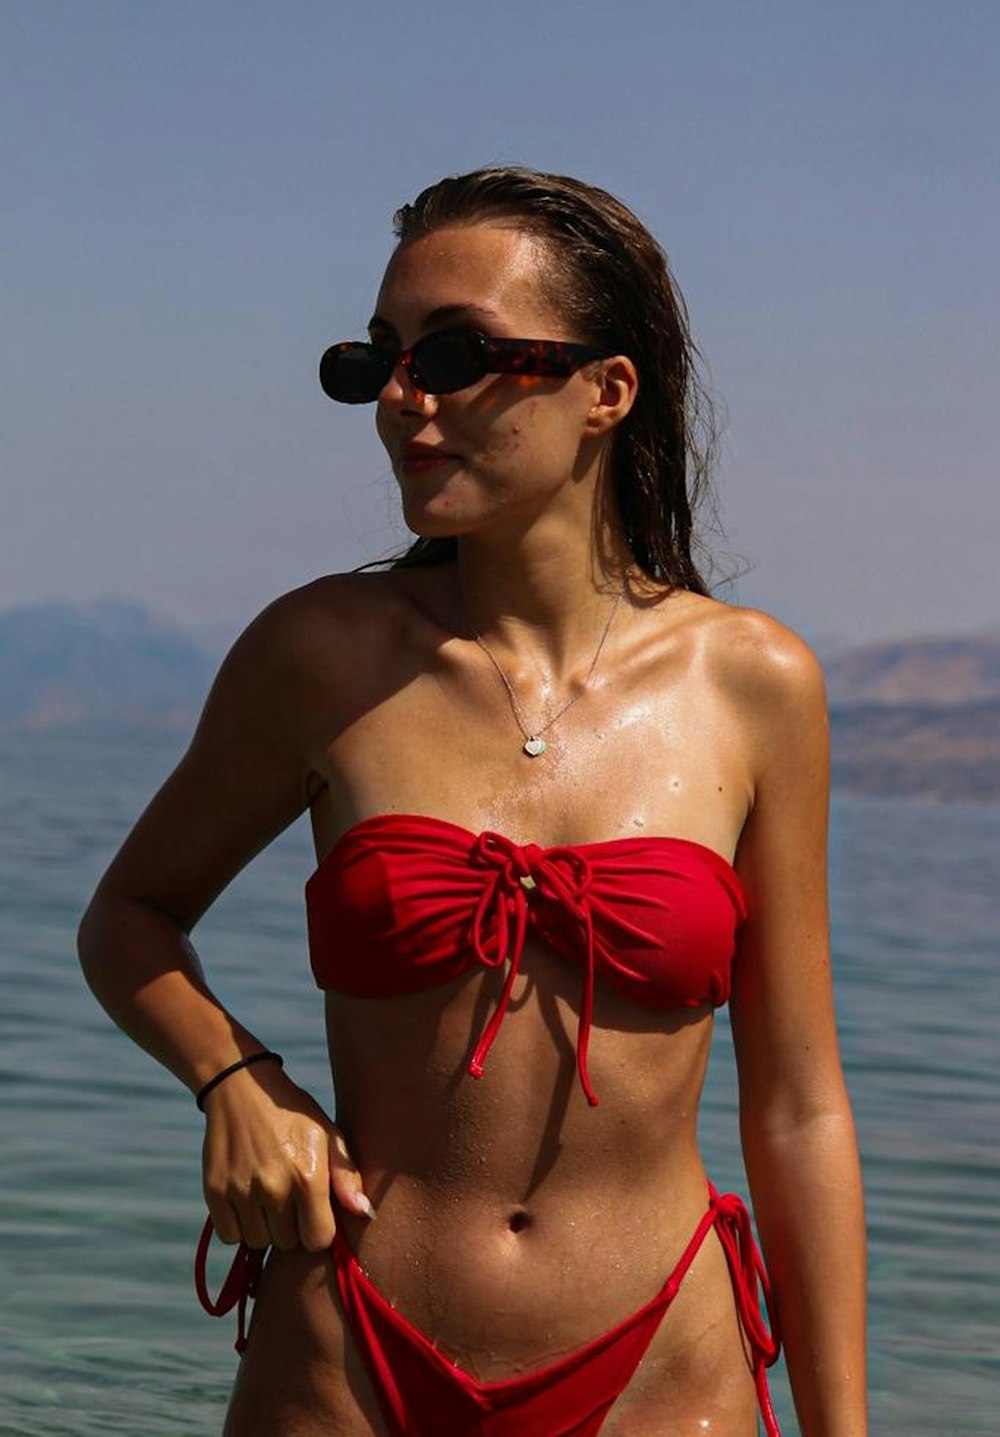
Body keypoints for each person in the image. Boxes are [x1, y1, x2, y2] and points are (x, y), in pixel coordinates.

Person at [78, 165, 867, 1436]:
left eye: (454, 354)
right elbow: (130, 915)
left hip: (663, 1367)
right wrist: (234, 1077)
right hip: (346, 1355)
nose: (403, 397)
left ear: (606, 390)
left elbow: (798, 1105)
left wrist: (844, 1425)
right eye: (378, 358)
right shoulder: (319, 655)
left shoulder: (754, 684)